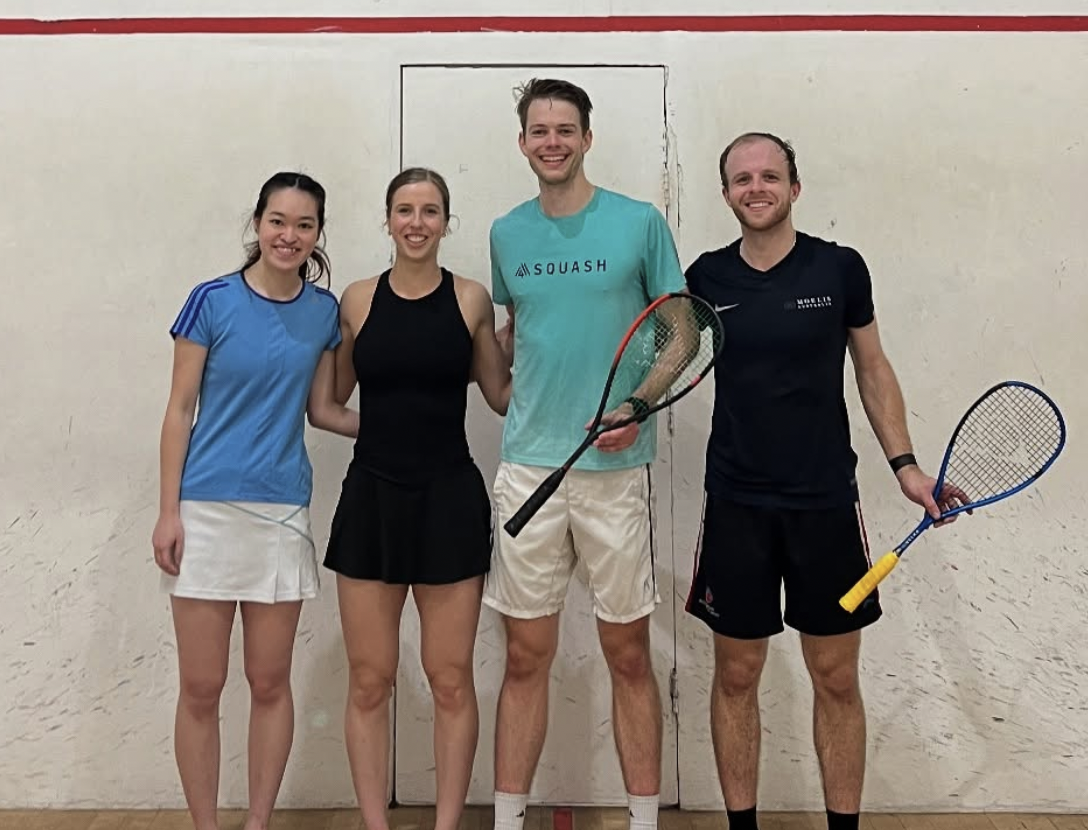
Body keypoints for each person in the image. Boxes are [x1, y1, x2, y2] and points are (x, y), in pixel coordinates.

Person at [683, 133, 969, 830]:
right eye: (742, 178)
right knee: (737, 676)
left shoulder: (839, 269)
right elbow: (662, 362)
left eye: (769, 176)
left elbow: (872, 368)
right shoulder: (704, 278)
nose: (756, 187)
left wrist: (906, 467)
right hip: (737, 507)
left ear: (794, 186)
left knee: (836, 678)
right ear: (726, 193)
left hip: (824, 508)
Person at [484, 78, 687, 830]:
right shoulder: (507, 233)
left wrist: (639, 405)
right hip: (530, 468)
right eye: (539, 131)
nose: (552, 143)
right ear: (523, 143)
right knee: (524, 658)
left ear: (587, 137)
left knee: (629, 656)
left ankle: (642, 821)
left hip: (613, 474)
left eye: (565, 130)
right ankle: (508, 821)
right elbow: (520, 331)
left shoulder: (638, 224)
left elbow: (682, 330)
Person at [152, 171, 357, 830]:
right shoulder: (210, 301)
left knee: (269, 684)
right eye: (277, 221)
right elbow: (180, 410)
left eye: (303, 225)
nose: (288, 235)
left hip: (279, 515)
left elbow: (324, 410)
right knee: (202, 687)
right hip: (205, 513)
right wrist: (168, 510)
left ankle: (258, 823)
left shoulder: (325, 314)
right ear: (258, 224)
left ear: (318, 234)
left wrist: (410, 422)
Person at [323, 167, 511, 830]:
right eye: (405, 209)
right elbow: (328, 405)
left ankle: (447, 825)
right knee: (370, 680)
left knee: (450, 678)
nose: (417, 222)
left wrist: (548, 350)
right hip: (371, 499)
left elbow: (500, 396)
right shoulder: (355, 300)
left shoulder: (471, 300)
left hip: (449, 501)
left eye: (431, 211)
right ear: (387, 219)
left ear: (446, 222)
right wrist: (379, 429)